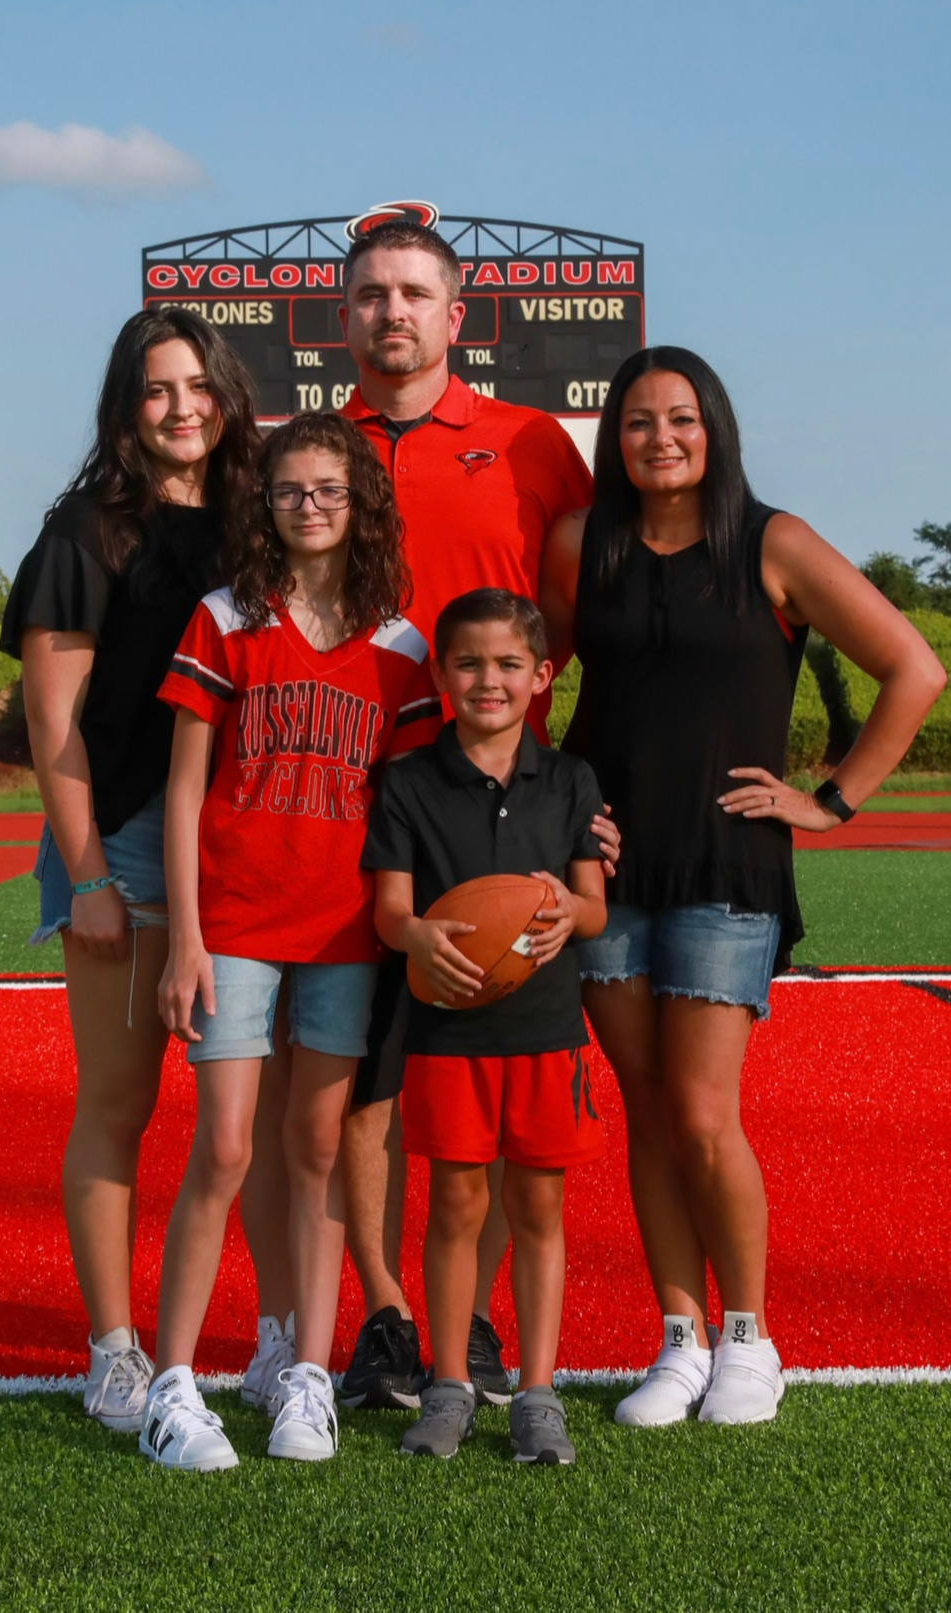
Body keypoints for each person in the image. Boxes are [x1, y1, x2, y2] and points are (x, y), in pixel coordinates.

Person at [238, 222, 617, 1412]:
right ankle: (388, 1314)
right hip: (350, 798)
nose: (390, 312)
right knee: (362, 1084)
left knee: (495, 1052)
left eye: (413, 293)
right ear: (340, 319)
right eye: (368, 296)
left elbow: (577, 629)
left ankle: (481, 1320)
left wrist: (581, 797)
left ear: (458, 313)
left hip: (501, 800)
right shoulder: (309, 453)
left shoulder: (534, 443)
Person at [539, 346, 947, 1425]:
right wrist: (546, 806)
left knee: (703, 1111)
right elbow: (525, 682)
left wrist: (831, 798)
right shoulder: (582, 544)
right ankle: (676, 1338)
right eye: (635, 421)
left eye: (679, 418)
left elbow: (915, 666)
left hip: (727, 862)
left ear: (714, 428)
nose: (658, 438)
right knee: (644, 1106)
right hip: (611, 864)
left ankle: (749, 1338)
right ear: (612, 439)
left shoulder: (776, 544)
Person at [140, 413, 442, 1469]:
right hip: (234, 926)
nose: (308, 506)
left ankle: (305, 1377)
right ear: (261, 504)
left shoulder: (401, 644)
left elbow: (412, 804)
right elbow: (184, 789)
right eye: (288, 490)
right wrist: (184, 936)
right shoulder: (226, 616)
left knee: (315, 1154)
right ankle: (172, 1384)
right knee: (225, 1147)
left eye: (328, 488)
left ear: (361, 502)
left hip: (347, 935)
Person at [0, 308, 261, 1431]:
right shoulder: (84, 532)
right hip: (126, 837)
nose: (181, 406)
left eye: (197, 384)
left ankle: (284, 1339)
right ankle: (114, 1346)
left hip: (247, 840)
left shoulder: (259, 521)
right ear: (125, 406)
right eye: (156, 389)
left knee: (257, 1114)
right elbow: (54, 728)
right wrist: (91, 874)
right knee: (121, 1099)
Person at [364, 589, 607, 1463]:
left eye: (509, 664)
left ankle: (538, 1391)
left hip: (547, 1031)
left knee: (538, 1205)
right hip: (448, 1032)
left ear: (542, 676)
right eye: (468, 663)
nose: (488, 680)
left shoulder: (572, 778)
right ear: (440, 674)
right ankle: (451, 1382)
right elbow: (391, 911)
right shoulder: (409, 782)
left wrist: (565, 907)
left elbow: (596, 907)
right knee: (458, 1203)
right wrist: (419, 935)